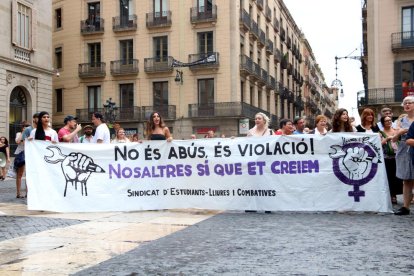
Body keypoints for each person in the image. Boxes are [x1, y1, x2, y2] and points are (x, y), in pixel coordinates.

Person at [393, 96, 414, 215]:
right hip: (403, 150)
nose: (407, 105)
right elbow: (394, 138)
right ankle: (405, 207)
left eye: (409, 103)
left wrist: (404, 130)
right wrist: (399, 132)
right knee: (406, 179)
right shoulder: (400, 121)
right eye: (405, 103)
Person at [379, 116, 402, 204]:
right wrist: (386, 139)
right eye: (386, 121)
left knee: (398, 177)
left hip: (398, 157)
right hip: (387, 158)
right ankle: (392, 196)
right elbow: (379, 144)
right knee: (389, 177)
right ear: (383, 123)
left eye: (390, 120)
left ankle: (396, 194)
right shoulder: (380, 133)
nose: (389, 122)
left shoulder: (396, 131)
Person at [14, 122, 30, 198]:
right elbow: (17, 141)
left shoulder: (31, 133)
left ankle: (28, 193)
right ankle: (18, 193)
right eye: (25, 126)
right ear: (22, 127)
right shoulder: (19, 133)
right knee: (19, 174)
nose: (26, 128)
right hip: (20, 154)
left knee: (29, 175)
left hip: (29, 155)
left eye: (28, 126)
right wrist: (23, 133)